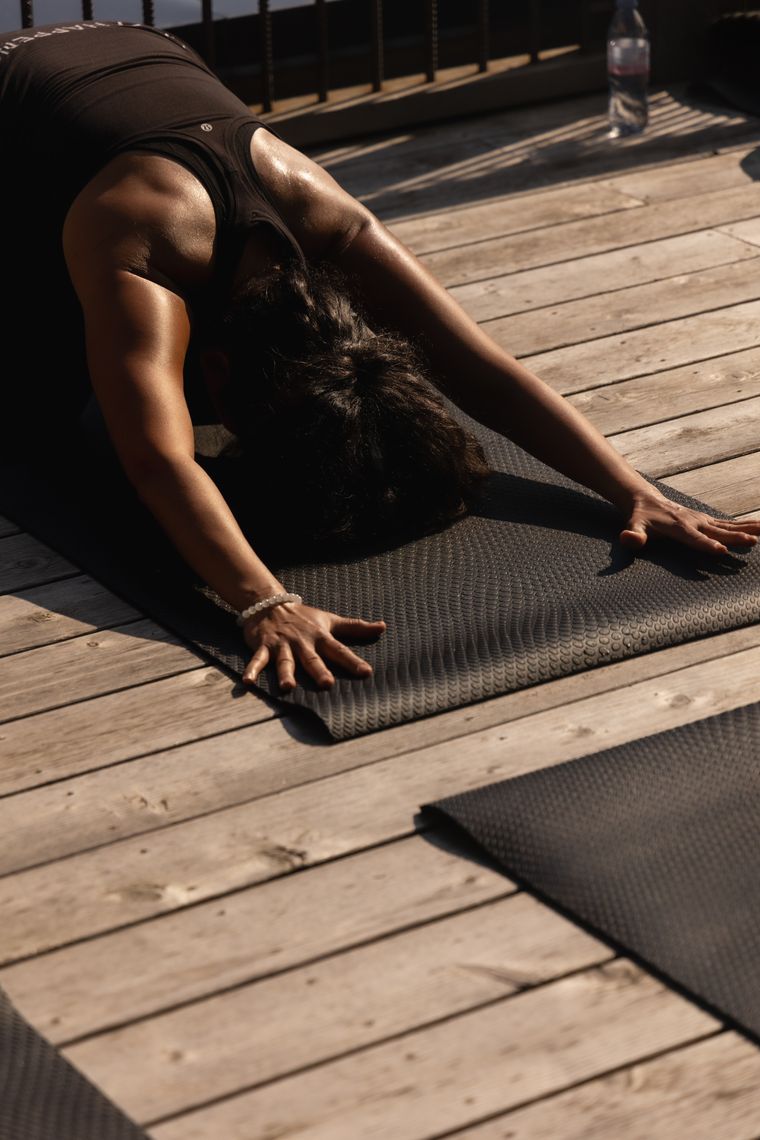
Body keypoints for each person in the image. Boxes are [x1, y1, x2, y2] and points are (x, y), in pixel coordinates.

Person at [2, 20, 758, 695]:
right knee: (41, 407)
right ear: (221, 373)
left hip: (142, 47)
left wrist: (629, 490)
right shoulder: (138, 244)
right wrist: (266, 601)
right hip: (36, 82)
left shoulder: (331, 219)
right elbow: (159, 462)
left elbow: (480, 366)